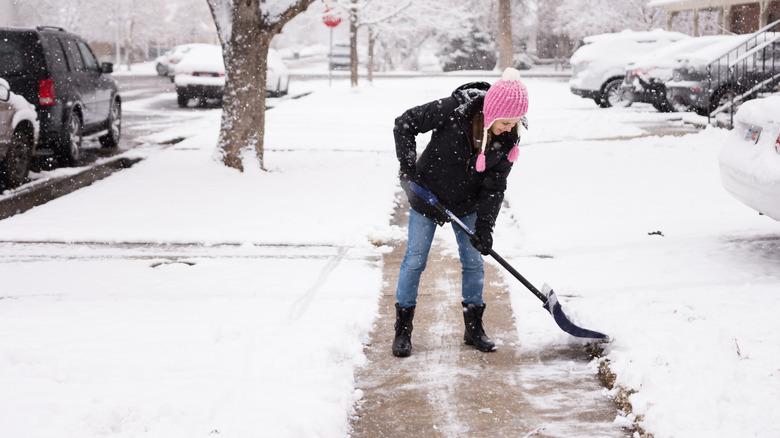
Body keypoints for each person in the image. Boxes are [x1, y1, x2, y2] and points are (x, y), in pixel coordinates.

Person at [392, 67, 529, 357]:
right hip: (427, 195)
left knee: (473, 261)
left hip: (467, 203)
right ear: (491, 113)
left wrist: (485, 228)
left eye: (515, 123)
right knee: (415, 260)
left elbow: (495, 186)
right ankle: (403, 330)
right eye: (505, 122)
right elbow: (405, 123)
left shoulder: (508, 139)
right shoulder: (452, 110)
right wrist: (407, 167)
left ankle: (474, 328)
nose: (509, 128)